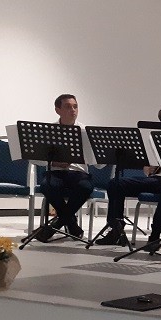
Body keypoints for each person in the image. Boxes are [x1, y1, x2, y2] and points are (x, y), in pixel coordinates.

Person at [95, 106, 161, 249]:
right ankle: (116, 229)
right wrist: (148, 168)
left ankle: (155, 234)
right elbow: (148, 168)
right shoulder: (156, 138)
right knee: (116, 183)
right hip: (157, 179)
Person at [35, 94, 93, 241]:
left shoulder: (85, 131)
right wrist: (55, 163)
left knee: (85, 187)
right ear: (57, 110)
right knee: (47, 185)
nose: (73, 110)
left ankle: (57, 223)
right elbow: (34, 158)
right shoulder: (49, 130)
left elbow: (98, 162)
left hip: (78, 172)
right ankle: (71, 224)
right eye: (68, 106)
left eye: (75, 106)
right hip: (56, 172)